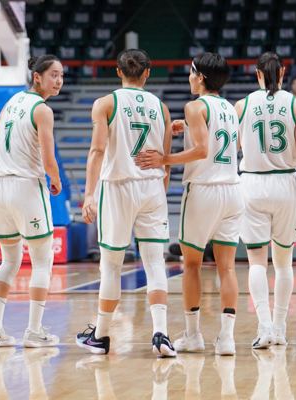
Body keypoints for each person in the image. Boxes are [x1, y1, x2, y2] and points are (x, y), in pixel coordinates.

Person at [135, 52, 244, 356]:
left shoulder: (194, 106)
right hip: (233, 189)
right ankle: (227, 339)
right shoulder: (231, 108)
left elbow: (201, 150)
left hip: (204, 190)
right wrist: (189, 125)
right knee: (227, 267)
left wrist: (164, 159)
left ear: (201, 77)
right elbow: (225, 143)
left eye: (191, 72)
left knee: (192, 264)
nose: (189, 77)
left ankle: (193, 335)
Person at [74, 49, 176, 357]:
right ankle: (161, 334)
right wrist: (158, 192)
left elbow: (97, 151)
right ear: (148, 73)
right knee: (155, 262)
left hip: (118, 187)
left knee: (111, 265)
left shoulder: (105, 103)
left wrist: (89, 195)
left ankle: (101, 336)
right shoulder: (162, 108)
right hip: (152, 187)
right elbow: (166, 160)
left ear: (118, 72)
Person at [235, 52, 296, 349]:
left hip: (252, 184)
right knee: (283, 264)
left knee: (256, 262)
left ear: (257, 73)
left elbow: (234, 149)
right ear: (283, 72)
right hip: (286, 183)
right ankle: (280, 328)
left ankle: (264, 328)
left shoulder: (241, 105)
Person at [0, 55, 64, 348]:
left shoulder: (12, 101)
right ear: (37, 77)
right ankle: (34, 330)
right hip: (26, 187)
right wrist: (56, 179)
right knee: (42, 260)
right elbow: (49, 159)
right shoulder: (42, 110)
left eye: (61, 75)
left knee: (10, 260)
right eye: (53, 74)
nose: (59, 80)